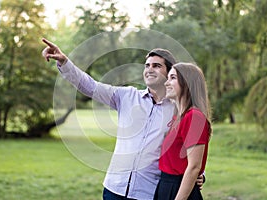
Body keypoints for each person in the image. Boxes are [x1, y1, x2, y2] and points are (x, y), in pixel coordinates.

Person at [41, 38, 204, 200]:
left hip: (148, 193)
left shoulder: (178, 109)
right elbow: (90, 86)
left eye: (156, 66)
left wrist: (200, 174)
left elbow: (187, 148)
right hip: (114, 189)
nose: (149, 69)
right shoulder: (126, 96)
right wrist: (65, 62)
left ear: (169, 73)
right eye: (147, 65)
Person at [153, 63, 212, 200]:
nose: (166, 83)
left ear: (187, 83)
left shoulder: (194, 117)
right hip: (166, 186)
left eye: (172, 78)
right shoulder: (178, 117)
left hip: (179, 191)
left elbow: (194, 167)